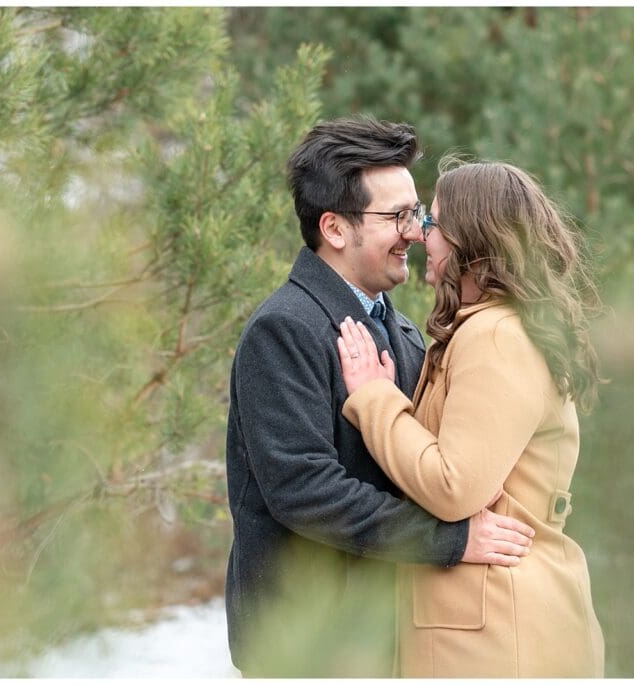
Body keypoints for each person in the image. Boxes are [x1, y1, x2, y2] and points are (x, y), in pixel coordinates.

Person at [225, 119, 536, 678]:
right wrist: (450, 539)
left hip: (387, 642)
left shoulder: (407, 332)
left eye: (418, 214)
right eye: (398, 217)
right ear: (336, 229)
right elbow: (303, 490)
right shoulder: (283, 330)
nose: (417, 233)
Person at [336, 159, 606, 677]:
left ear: (473, 239)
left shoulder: (496, 336)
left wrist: (374, 398)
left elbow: (455, 485)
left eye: (433, 224)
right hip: (493, 621)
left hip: (498, 633)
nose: (419, 235)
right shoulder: (494, 328)